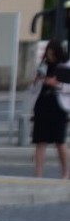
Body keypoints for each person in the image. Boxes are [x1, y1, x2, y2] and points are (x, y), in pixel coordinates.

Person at [32, 38, 70, 179]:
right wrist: (37, 81)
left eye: (53, 53)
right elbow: (33, 89)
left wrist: (57, 84)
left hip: (59, 106)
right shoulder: (43, 65)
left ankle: (66, 173)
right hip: (42, 104)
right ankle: (39, 174)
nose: (50, 56)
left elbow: (68, 88)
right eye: (48, 53)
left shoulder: (66, 66)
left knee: (60, 141)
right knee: (40, 141)